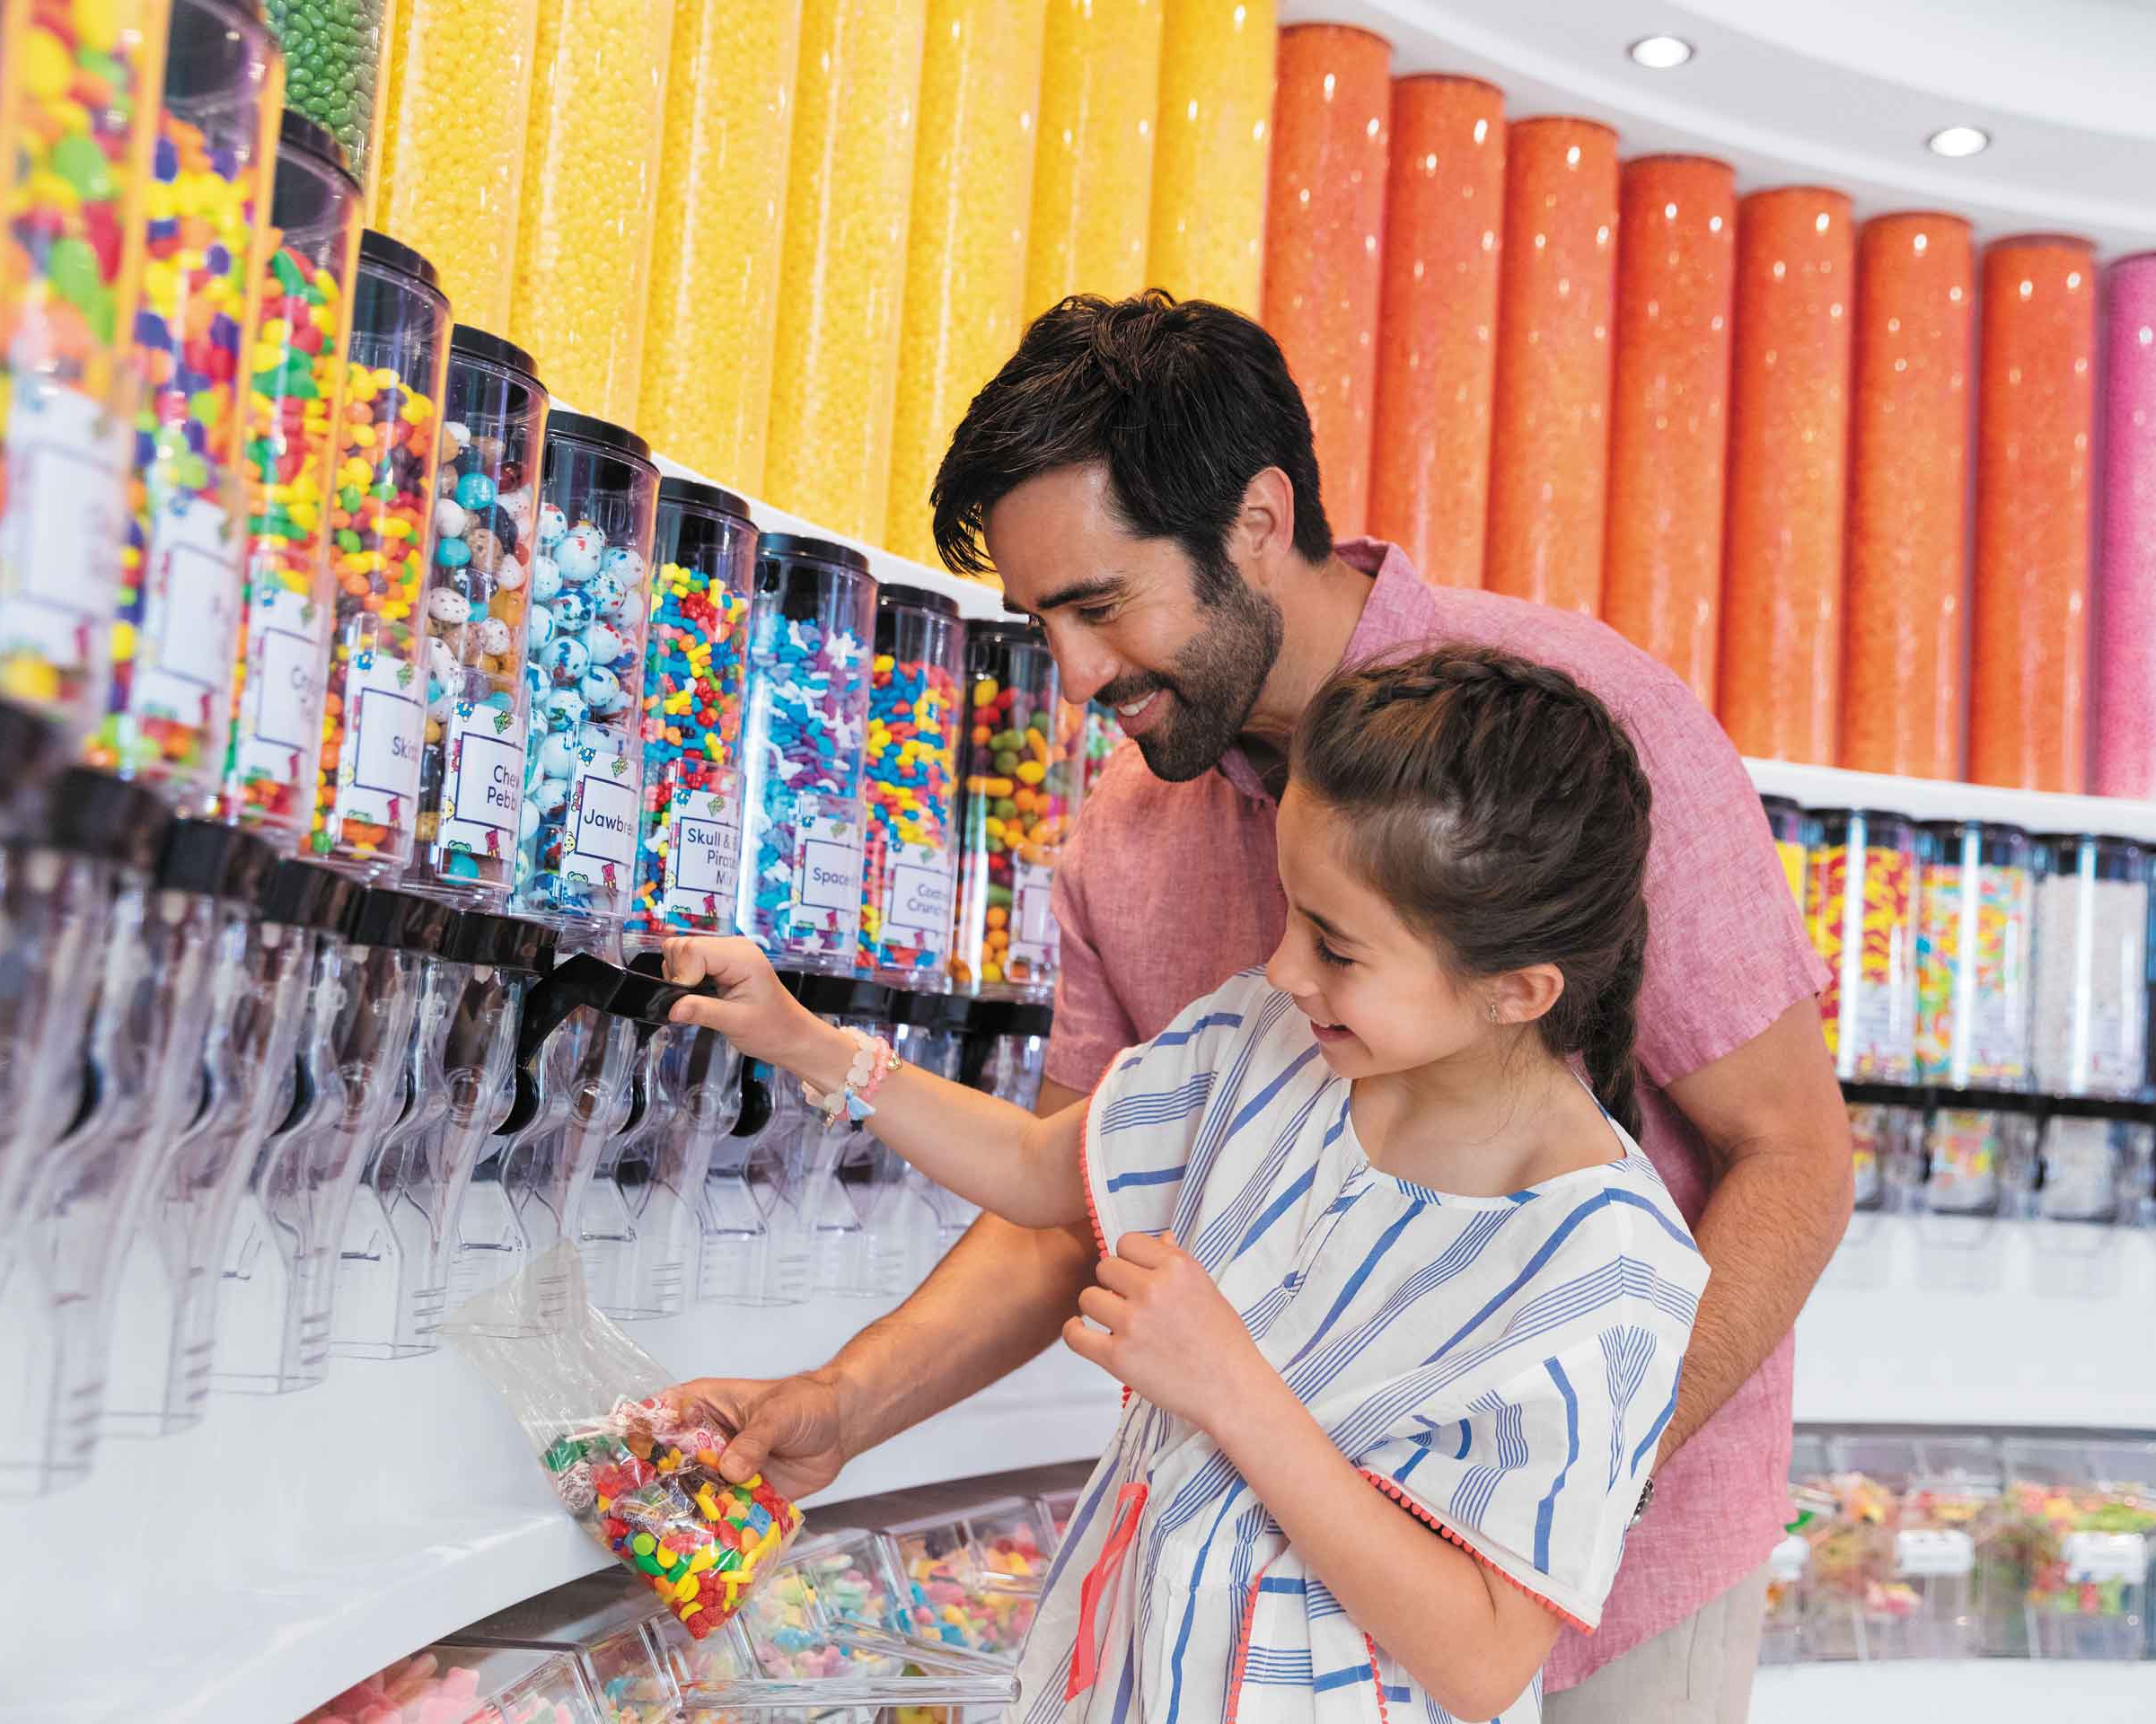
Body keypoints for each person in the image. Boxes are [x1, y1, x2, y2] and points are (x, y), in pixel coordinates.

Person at [675, 292, 1852, 1720]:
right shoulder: (1127, 832)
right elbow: (1074, 1198)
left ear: (1255, 518)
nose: (1076, 676)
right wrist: (845, 1399)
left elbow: (1791, 1154)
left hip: (1619, 1564)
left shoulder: (1590, 735)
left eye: (1102, 606)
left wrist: (1557, 1491)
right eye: (1042, 619)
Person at [665, 648, 1708, 1722]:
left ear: (1516, 991)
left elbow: (1483, 1659)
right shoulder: (1272, 1038)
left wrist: (1231, 1389)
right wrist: (809, 1045)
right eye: (1291, 913)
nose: (1290, 967)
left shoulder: (1610, 1272)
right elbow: (1035, 1173)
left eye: (1338, 949)